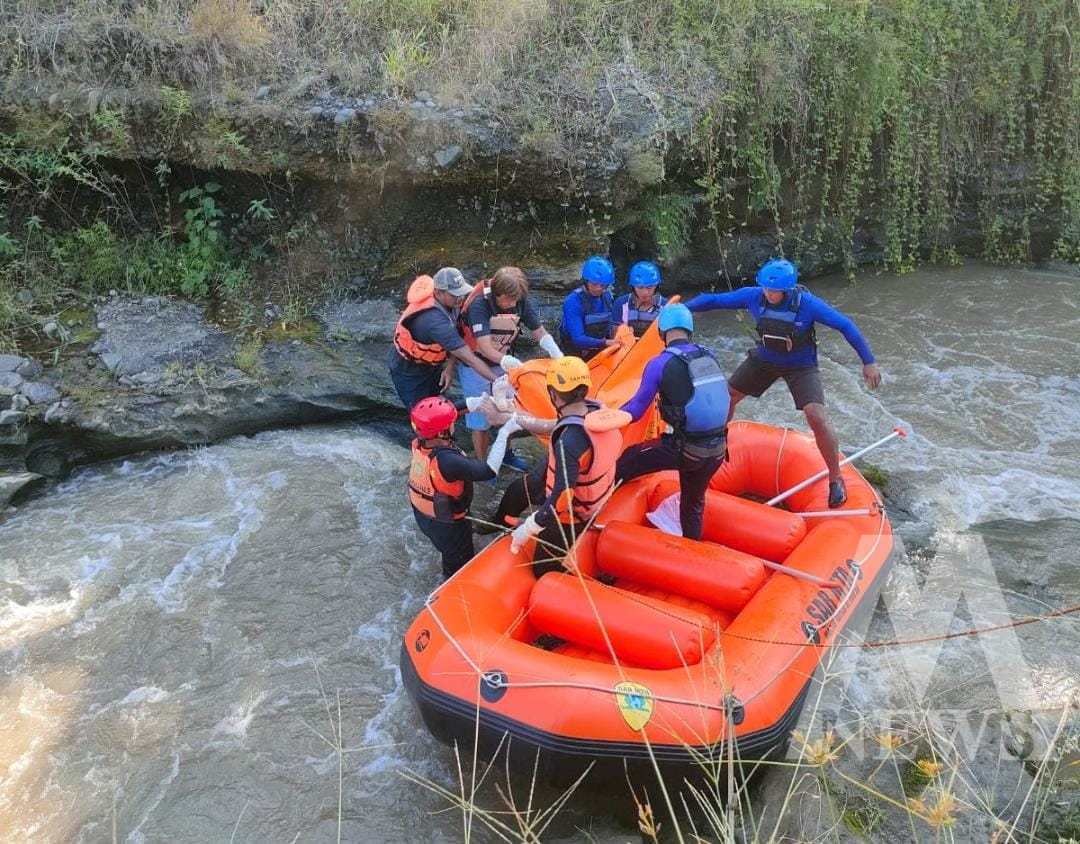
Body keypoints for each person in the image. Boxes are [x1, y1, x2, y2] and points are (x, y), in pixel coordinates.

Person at [685, 258, 882, 507]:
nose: (768, 293)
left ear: (787, 290)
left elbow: (845, 325)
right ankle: (716, 445)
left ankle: (835, 478)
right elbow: (714, 301)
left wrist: (869, 361)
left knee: (816, 415)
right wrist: (682, 309)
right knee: (728, 396)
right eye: (766, 288)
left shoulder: (807, 305)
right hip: (765, 359)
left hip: (801, 365)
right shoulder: (754, 296)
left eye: (774, 290)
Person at [492, 357, 628, 577]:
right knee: (522, 488)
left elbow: (562, 498)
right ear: (584, 388)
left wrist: (531, 526)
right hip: (593, 487)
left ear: (553, 395)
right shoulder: (596, 410)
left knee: (542, 569)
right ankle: (499, 522)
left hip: (574, 513)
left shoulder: (569, 442)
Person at [615, 304, 729, 540]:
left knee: (629, 458)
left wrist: (607, 414)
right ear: (690, 330)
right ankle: (692, 550)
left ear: (661, 333)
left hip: (685, 451)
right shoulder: (709, 355)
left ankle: (593, 515)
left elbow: (635, 410)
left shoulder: (659, 363)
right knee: (692, 505)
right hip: (717, 451)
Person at [457, 266, 563, 466]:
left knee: (508, 412)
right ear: (499, 294)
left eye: (517, 300)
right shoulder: (479, 305)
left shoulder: (519, 298)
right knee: (481, 419)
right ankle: (482, 465)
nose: (514, 304)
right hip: (475, 364)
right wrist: (508, 363)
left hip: (502, 361)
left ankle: (506, 455)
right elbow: (485, 348)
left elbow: (538, 331)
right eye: (510, 300)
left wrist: (557, 354)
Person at [407, 395, 521, 579]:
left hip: (425, 516)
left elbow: (452, 411)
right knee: (458, 565)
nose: (454, 422)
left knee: (448, 550)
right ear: (442, 432)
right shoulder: (447, 461)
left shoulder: (422, 439)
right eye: (450, 423)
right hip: (449, 527)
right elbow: (488, 471)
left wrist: (479, 402)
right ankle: (451, 588)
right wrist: (504, 433)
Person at [389, 267, 498, 412]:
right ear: (438, 292)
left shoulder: (453, 303)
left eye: (461, 292)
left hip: (433, 367)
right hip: (409, 372)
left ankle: (443, 431)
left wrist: (449, 367)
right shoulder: (434, 321)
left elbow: (459, 333)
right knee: (423, 413)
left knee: (439, 405)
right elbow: (468, 357)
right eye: (455, 294)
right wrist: (498, 380)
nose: (460, 298)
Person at [558, 256, 621, 360]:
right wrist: (605, 342)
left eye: (603, 285)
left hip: (599, 350)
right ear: (586, 281)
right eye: (594, 284)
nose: (598, 288)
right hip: (574, 354)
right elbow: (578, 339)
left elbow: (611, 325)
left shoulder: (607, 296)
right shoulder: (573, 301)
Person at [611, 260, 667, 338]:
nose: (645, 292)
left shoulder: (665, 305)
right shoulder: (621, 303)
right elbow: (614, 334)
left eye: (649, 287)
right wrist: (623, 332)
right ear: (633, 286)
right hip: (628, 347)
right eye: (640, 287)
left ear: (656, 286)